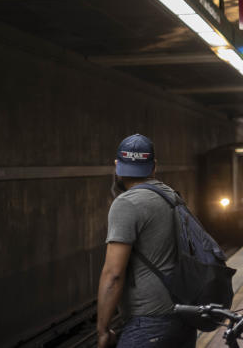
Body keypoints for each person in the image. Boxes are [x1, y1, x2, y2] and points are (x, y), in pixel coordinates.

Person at [96, 134, 196, 348]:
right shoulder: (172, 195)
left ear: (117, 166)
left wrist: (103, 330)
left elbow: (113, 274)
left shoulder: (126, 204)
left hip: (149, 321)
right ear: (153, 167)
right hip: (184, 316)